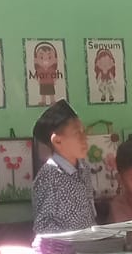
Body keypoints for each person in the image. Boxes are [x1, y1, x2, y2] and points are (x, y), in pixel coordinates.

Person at [31, 100, 96, 235]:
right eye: (77, 133)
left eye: (84, 132)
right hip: (64, 247)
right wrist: (71, 241)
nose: (85, 138)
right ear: (57, 141)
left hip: (89, 243)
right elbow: (43, 226)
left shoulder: (84, 168)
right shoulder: (48, 177)